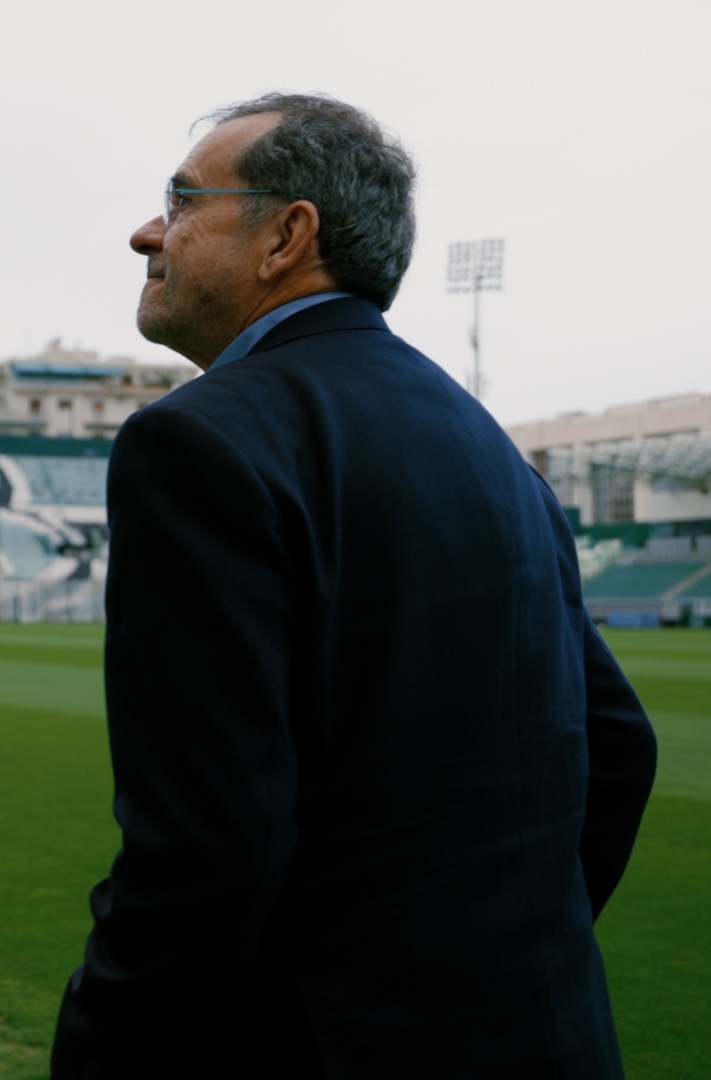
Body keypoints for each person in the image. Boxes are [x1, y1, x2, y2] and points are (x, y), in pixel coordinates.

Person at [51, 93, 658, 1078]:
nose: (146, 233)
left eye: (181, 201)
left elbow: (207, 850)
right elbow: (619, 749)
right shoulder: (490, 447)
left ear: (286, 236)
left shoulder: (199, 439)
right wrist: (490, 969)